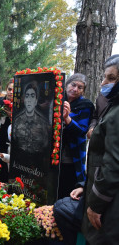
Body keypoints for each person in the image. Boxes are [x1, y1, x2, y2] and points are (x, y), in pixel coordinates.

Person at [81, 54, 119, 244]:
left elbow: (112, 164)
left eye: (111, 78)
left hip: (110, 207)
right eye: (105, 77)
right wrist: (86, 187)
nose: (104, 82)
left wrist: (96, 204)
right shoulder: (112, 106)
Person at [58, 74, 94, 199]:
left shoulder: (86, 105)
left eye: (80, 87)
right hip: (52, 153)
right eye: (73, 85)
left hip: (72, 157)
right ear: (67, 85)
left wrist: (67, 118)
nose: (75, 89)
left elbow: (82, 131)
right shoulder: (57, 100)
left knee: (66, 190)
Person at [12, 82, 50, 171]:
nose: (29, 100)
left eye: (32, 96)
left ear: (36, 100)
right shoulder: (17, 121)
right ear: (24, 99)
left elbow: (45, 144)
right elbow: (15, 140)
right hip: (20, 162)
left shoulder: (43, 122)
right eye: (27, 96)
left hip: (38, 164)